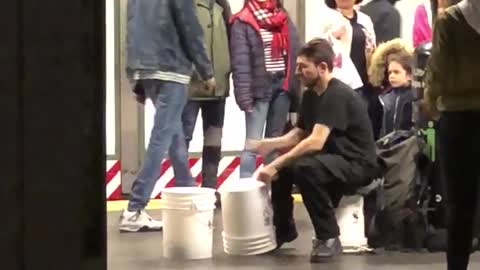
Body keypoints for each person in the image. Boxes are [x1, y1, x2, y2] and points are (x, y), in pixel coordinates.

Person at [252, 38, 378, 262]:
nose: (298, 72)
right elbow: (300, 133)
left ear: (322, 68)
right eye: (297, 66)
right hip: (333, 159)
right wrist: (268, 145)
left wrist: (274, 163)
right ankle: (284, 230)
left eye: (303, 67)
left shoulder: (336, 94)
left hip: (358, 164)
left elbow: (316, 141)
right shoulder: (311, 94)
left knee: (304, 169)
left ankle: (329, 237)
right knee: (286, 170)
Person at [119, 0, 215, 233]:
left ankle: (187, 193)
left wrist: (138, 79)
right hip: (170, 66)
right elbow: (190, 27)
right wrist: (206, 71)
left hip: (146, 67)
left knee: (173, 136)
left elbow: (133, 29)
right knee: (162, 137)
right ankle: (134, 208)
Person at [425, 0, 480, 269]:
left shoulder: (449, 22)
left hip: (459, 120)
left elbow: (437, 75)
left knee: (459, 205)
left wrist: (434, 107)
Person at [229, 0, 301, 178]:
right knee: (253, 144)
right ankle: (246, 192)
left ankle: (271, 194)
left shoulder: (283, 17)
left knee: (273, 144)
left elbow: (294, 54)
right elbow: (240, 63)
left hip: (282, 87)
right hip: (259, 89)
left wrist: (294, 89)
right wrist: (244, 98)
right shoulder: (242, 21)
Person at [169, 0, 231, 203]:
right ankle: (184, 189)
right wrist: (200, 73)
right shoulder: (186, 6)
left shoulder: (222, 8)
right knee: (183, 138)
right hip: (191, 89)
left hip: (218, 89)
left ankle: (210, 189)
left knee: (213, 143)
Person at [324, 0, 382, 140]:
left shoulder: (365, 20)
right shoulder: (328, 18)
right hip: (341, 82)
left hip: (365, 81)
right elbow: (318, 47)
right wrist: (332, 35)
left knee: (365, 127)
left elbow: (372, 48)